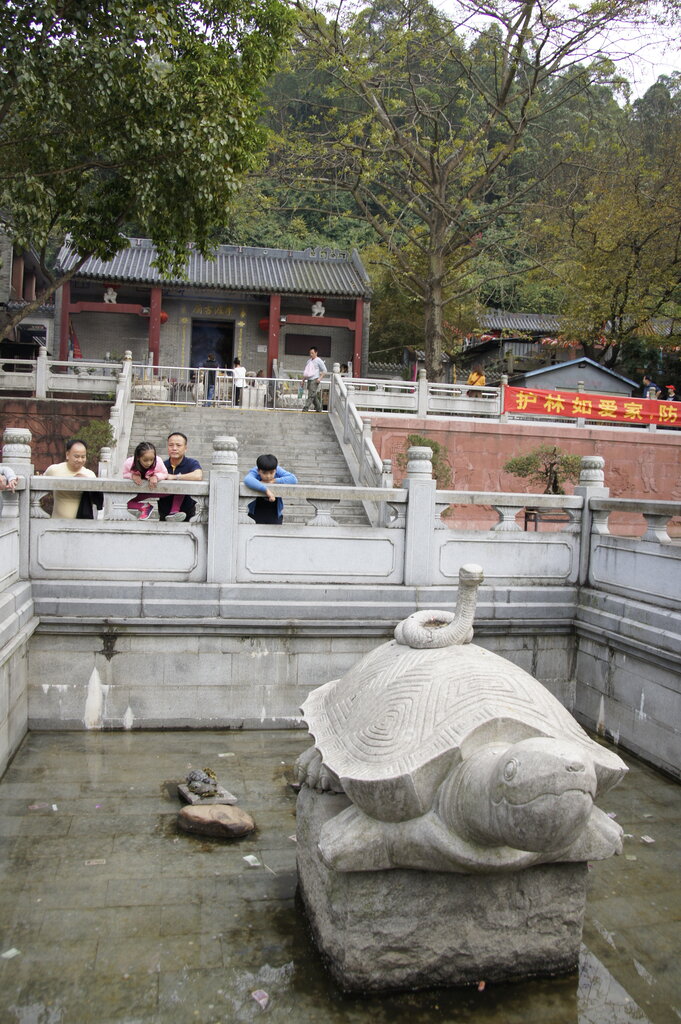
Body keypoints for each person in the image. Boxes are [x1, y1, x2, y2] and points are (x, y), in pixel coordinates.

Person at [43, 439, 96, 519]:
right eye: (76, 456)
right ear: (67, 455)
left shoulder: (90, 475)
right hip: (57, 524)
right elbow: (39, 484)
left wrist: (88, 482)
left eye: (83, 457)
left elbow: (98, 501)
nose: (80, 460)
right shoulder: (54, 470)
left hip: (82, 524)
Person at [157, 432, 203, 522]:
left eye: (178, 445)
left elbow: (198, 475)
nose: (174, 448)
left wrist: (175, 477)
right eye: (171, 445)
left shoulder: (191, 463)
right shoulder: (162, 465)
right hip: (164, 513)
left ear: (185, 448)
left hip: (187, 514)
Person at [243, 454, 298, 524]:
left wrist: (275, 480)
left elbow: (293, 479)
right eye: (264, 473)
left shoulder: (277, 469)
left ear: (275, 470)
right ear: (258, 470)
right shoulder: (255, 471)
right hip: (255, 513)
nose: (268, 476)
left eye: (271, 473)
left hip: (275, 514)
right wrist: (266, 490)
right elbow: (247, 479)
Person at [122, 441, 168, 520]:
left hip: (154, 489)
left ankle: (174, 511)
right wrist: (132, 475)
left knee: (180, 491)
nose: (149, 463)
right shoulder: (129, 463)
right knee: (121, 503)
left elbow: (165, 474)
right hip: (139, 490)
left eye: (151, 459)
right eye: (145, 460)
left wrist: (156, 476)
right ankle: (145, 507)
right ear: (138, 458)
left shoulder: (158, 461)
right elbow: (124, 474)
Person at [302, 346, 327, 412]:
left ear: (316, 353)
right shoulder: (309, 361)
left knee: (311, 395)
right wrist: (303, 380)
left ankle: (306, 407)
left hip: (315, 379)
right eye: (310, 353)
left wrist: (320, 378)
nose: (311, 355)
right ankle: (319, 408)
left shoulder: (319, 360)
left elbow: (325, 370)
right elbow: (306, 371)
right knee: (313, 395)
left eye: (312, 353)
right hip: (309, 379)